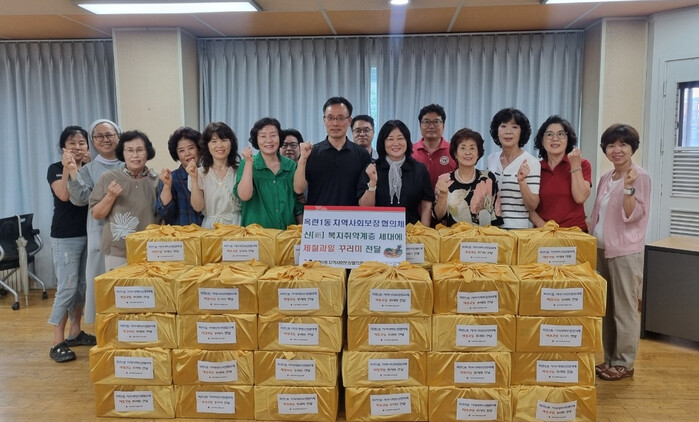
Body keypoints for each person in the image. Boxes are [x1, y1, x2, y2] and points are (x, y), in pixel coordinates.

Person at [590, 124, 651, 382]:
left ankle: (624, 363)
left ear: (632, 148)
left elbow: (632, 214)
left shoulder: (639, 176)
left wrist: (628, 187)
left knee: (624, 310)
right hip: (602, 249)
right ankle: (610, 358)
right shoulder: (607, 176)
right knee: (607, 310)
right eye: (611, 145)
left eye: (623, 144)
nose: (617, 150)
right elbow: (598, 214)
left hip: (624, 252)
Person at [47, 126, 96, 363]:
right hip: (65, 236)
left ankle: (75, 332)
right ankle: (57, 342)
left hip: (89, 233)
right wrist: (69, 168)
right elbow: (64, 196)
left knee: (81, 287)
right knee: (66, 288)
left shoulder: (89, 168)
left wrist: (87, 166)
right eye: (72, 143)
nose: (77, 147)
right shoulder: (55, 169)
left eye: (81, 143)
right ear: (63, 147)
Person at [66, 119, 123, 324]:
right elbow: (81, 199)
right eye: (99, 136)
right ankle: (105, 328)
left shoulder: (129, 164)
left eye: (109, 135)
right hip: (100, 231)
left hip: (128, 231)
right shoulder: (88, 169)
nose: (105, 139)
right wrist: (73, 171)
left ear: (118, 136)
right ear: (93, 140)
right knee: (101, 282)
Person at [89, 130, 160, 271]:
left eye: (140, 150)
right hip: (117, 250)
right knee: (119, 285)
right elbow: (96, 214)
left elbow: (163, 217)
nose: (135, 155)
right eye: (129, 150)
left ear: (147, 152)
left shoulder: (157, 180)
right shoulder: (108, 177)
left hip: (151, 249)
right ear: (123, 153)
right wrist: (110, 196)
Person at [294, 97, 371, 206]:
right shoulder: (311, 152)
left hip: (351, 215)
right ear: (324, 120)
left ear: (349, 121)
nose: (335, 123)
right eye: (330, 118)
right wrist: (303, 159)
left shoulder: (362, 154)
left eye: (340, 118)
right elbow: (298, 189)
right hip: (318, 215)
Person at [357, 120, 433, 225]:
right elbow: (365, 207)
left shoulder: (419, 169)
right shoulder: (372, 168)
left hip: (412, 230)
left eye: (400, 138)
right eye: (390, 139)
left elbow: (426, 205)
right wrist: (372, 182)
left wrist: (424, 231)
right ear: (383, 142)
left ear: (407, 141)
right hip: (378, 229)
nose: (396, 143)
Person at [235, 117, 303, 229]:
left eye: (273, 135)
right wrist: (248, 162)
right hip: (256, 234)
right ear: (256, 140)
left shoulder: (291, 166)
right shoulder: (247, 163)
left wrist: (302, 233)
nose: (269, 140)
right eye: (263, 136)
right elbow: (244, 196)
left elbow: (297, 205)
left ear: (279, 137)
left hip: (287, 234)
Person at [530, 116, 591, 231]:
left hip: (575, 233)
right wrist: (544, 226)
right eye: (549, 134)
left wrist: (575, 165)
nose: (555, 139)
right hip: (544, 233)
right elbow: (528, 206)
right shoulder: (534, 167)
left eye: (561, 134)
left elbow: (580, 197)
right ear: (542, 141)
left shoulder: (582, 164)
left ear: (568, 140)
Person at [434, 128, 503, 227]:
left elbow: (496, 217)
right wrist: (443, 195)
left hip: (483, 235)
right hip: (453, 235)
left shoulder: (488, 178)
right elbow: (438, 216)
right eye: (463, 148)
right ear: (455, 154)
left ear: (478, 153)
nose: (467, 152)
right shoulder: (444, 180)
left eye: (472, 148)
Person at [486, 108, 541, 229]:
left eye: (514, 127)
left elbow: (532, 205)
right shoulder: (491, 159)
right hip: (492, 229)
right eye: (503, 126)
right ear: (497, 130)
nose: (508, 131)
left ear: (522, 132)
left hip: (519, 230)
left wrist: (522, 182)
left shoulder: (531, 162)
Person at [188, 122, 242, 229]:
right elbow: (198, 207)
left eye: (224, 140)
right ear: (207, 146)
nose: (219, 145)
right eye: (214, 141)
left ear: (231, 143)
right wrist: (194, 179)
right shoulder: (199, 173)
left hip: (236, 228)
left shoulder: (240, 171)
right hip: (210, 228)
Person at [155, 127, 204, 226]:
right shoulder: (171, 178)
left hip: (208, 231)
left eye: (191, 148)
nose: (187, 153)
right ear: (176, 154)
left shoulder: (207, 174)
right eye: (181, 150)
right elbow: (164, 212)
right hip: (180, 233)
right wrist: (167, 186)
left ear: (199, 149)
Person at [412, 104, 458, 189]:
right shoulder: (410, 151)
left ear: (443, 126)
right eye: (426, 122)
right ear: (420, 125)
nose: (431, 126)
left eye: (436, 122)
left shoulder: (455, 150)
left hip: (448, 197)